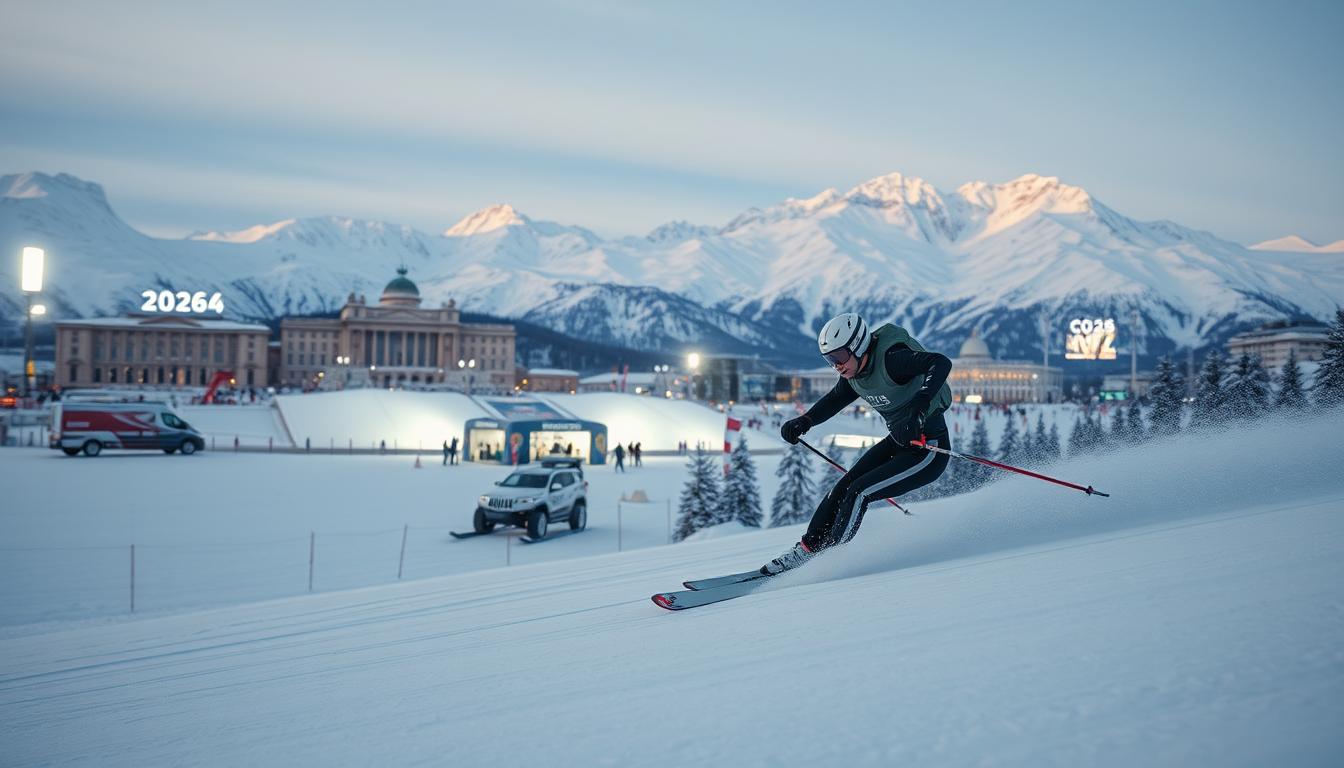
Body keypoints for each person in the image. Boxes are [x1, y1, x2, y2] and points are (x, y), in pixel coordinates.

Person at [763, 312, 953, 576]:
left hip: (928, 449)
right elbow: (835, 399)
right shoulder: (856, 372)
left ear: (859, 345)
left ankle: (828, 561)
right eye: (830, 360)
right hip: (899, 442)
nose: (837, 366)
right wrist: (805, 421)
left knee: (859, 492)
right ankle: (806, 550)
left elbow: (940, 363)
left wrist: (919, 408)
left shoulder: (892, 359)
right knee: (843, 487)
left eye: (839, 357)